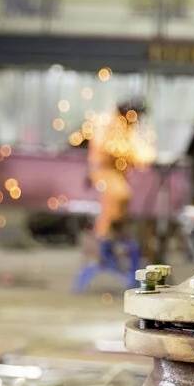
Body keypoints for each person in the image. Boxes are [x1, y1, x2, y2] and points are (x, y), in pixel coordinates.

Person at [74, 97, 155, 291]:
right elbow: (109, 147)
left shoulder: (125, 125)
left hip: (115, 172)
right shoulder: (108, 123)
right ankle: (104, 236)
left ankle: (115, 230)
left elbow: (135, 151)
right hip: (103, 170)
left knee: (123, 198)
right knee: (119, 195)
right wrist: (128, 154)